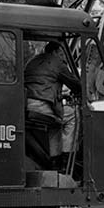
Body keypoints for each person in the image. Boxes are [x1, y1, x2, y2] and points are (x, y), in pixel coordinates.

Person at [24, 41, 81, 170]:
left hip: (26, 107)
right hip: (42, 108)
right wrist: (79, 91)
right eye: (61, 54)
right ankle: (64, 161)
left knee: (55, 125)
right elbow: (75, 84)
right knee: (70, 117)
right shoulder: (57, 63)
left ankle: (53, 162)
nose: (63, 57)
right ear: (54, 52)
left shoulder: (32, 62)